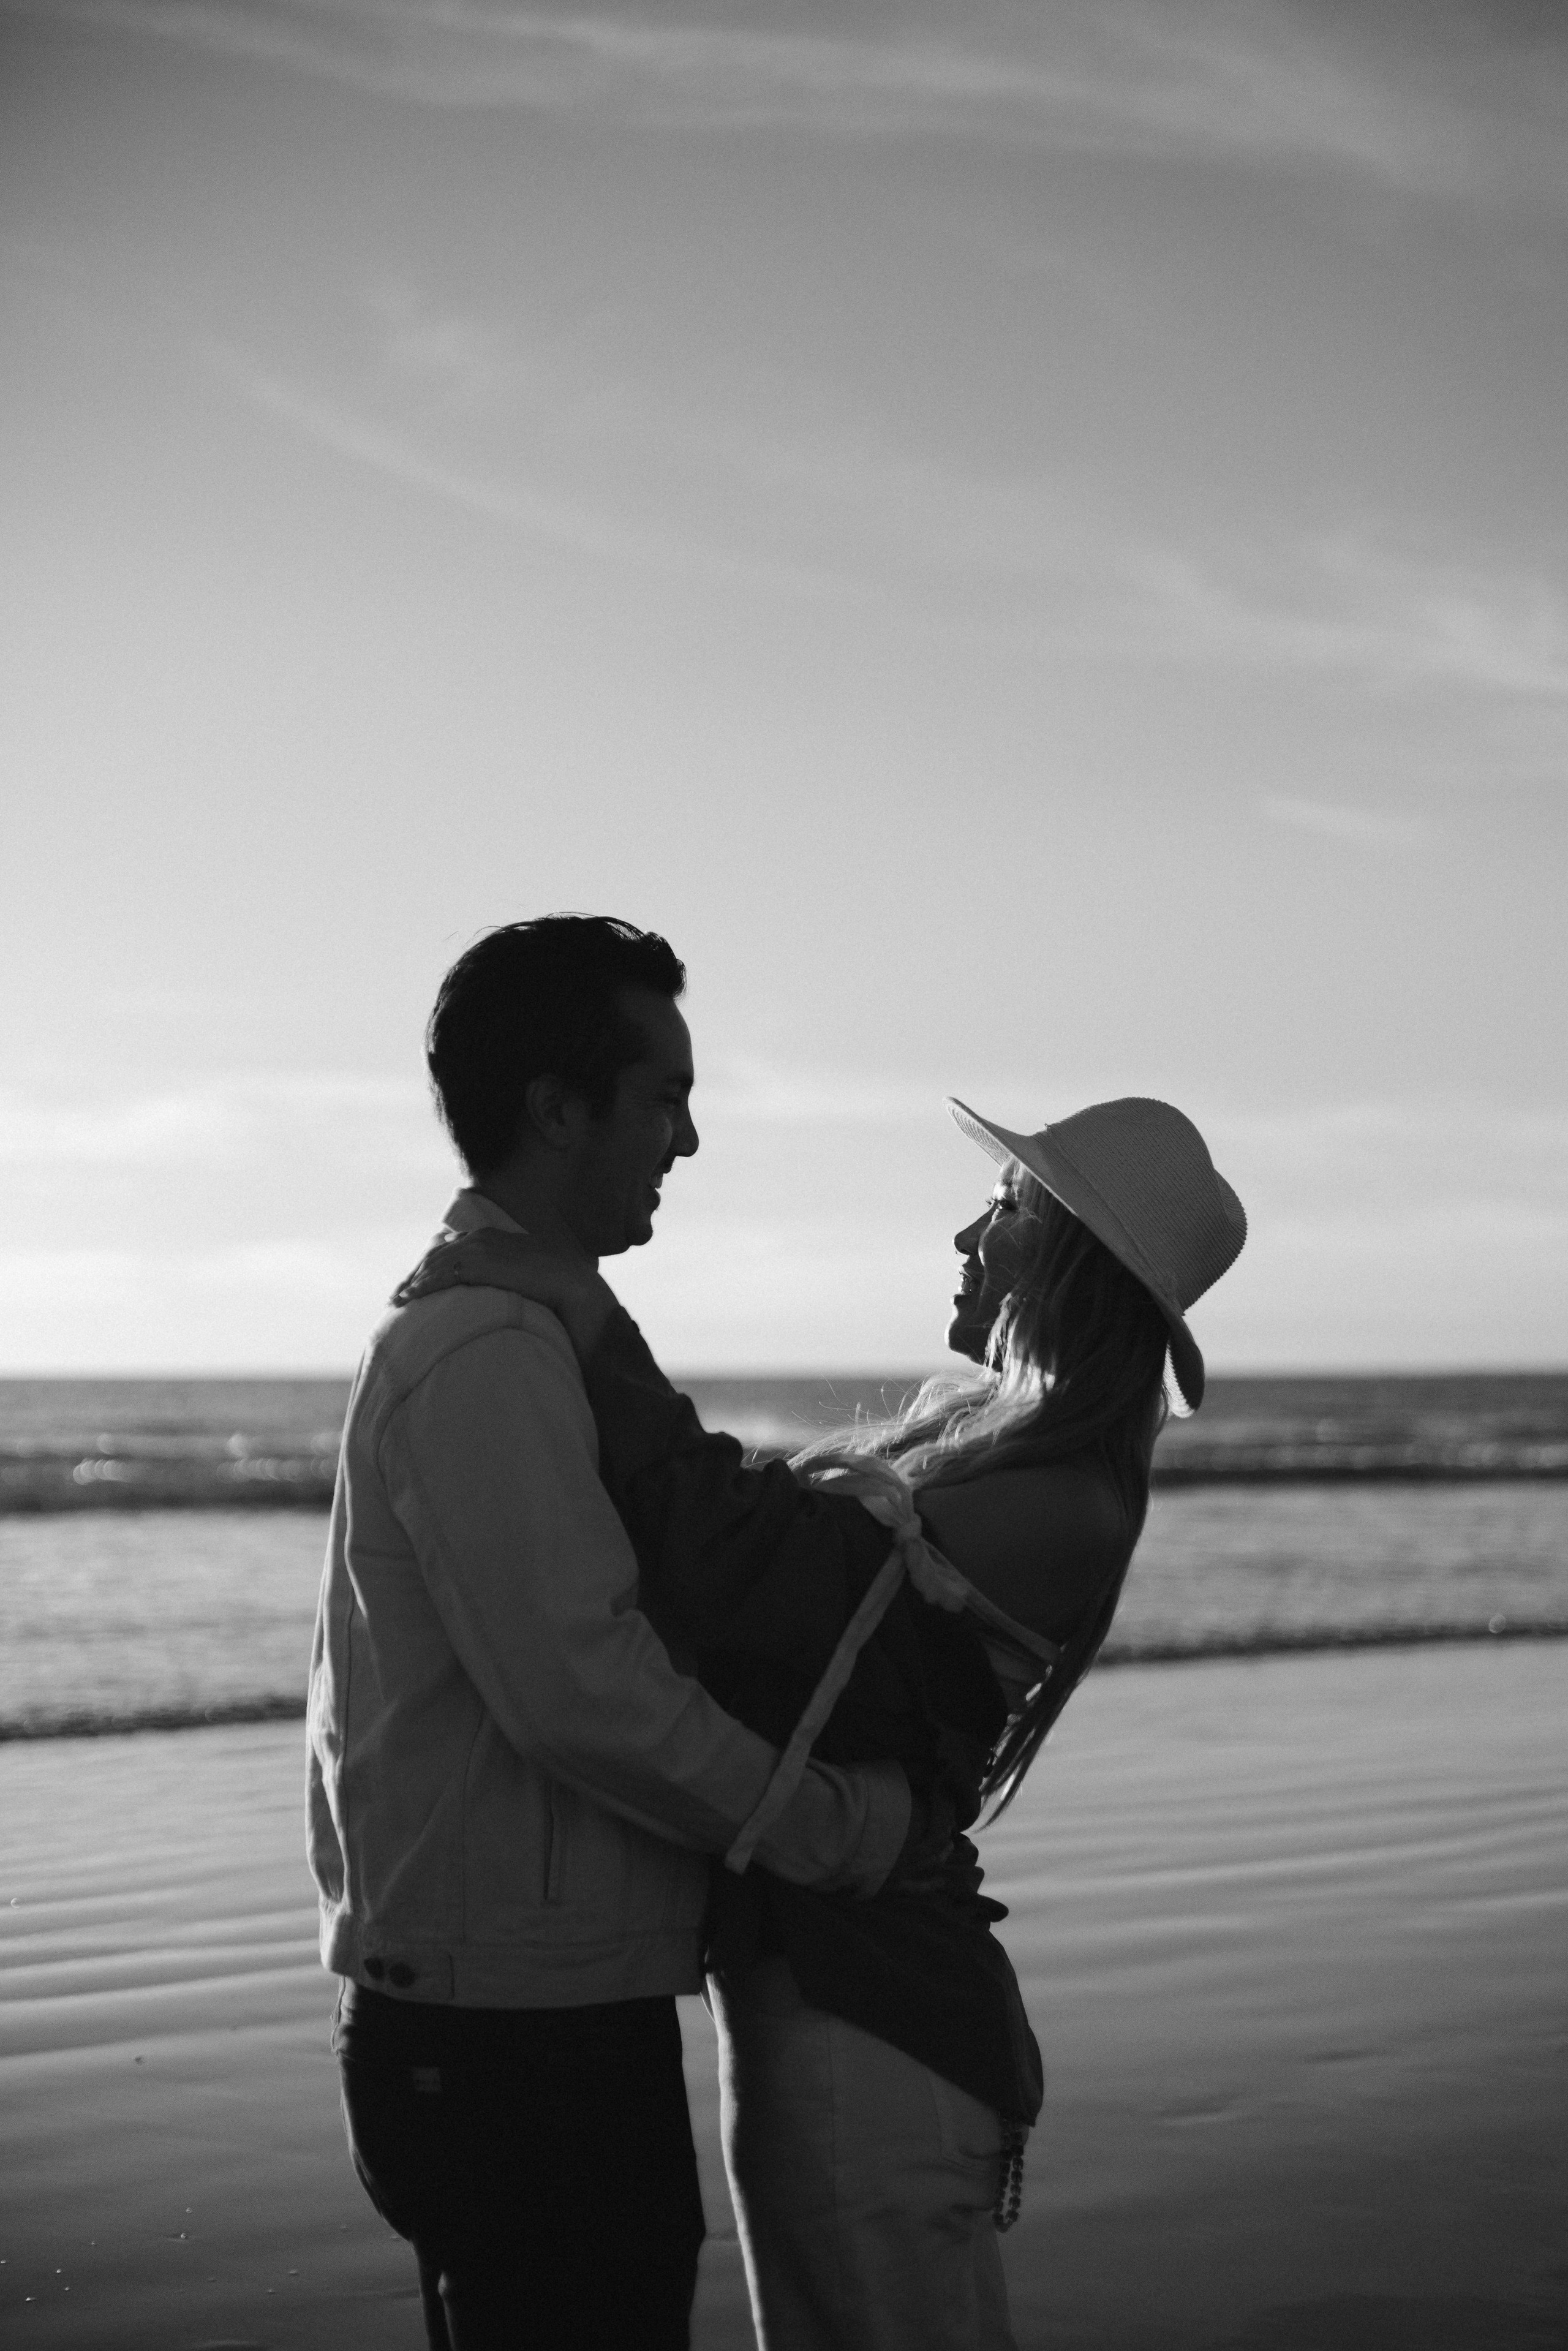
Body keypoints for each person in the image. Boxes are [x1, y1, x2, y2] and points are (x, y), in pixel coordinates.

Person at [398, 1087, 1248, 2350]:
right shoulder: (993, 1445)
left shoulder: (1062, 1497)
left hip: (874, 2028)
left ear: (1075, 1263)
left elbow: (742, 1562)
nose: (968, 1233)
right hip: (831, 2009)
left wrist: (579, 1310)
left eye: (1008, 1208)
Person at [307, 916, 938, 2351]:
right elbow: (581, 1690)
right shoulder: (484, 1353)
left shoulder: (523, 1325)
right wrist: (834, 1826)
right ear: (554, 1106)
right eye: (664, 1095)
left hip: (520, 2005)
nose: (690, 1137)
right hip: (507, 2038)